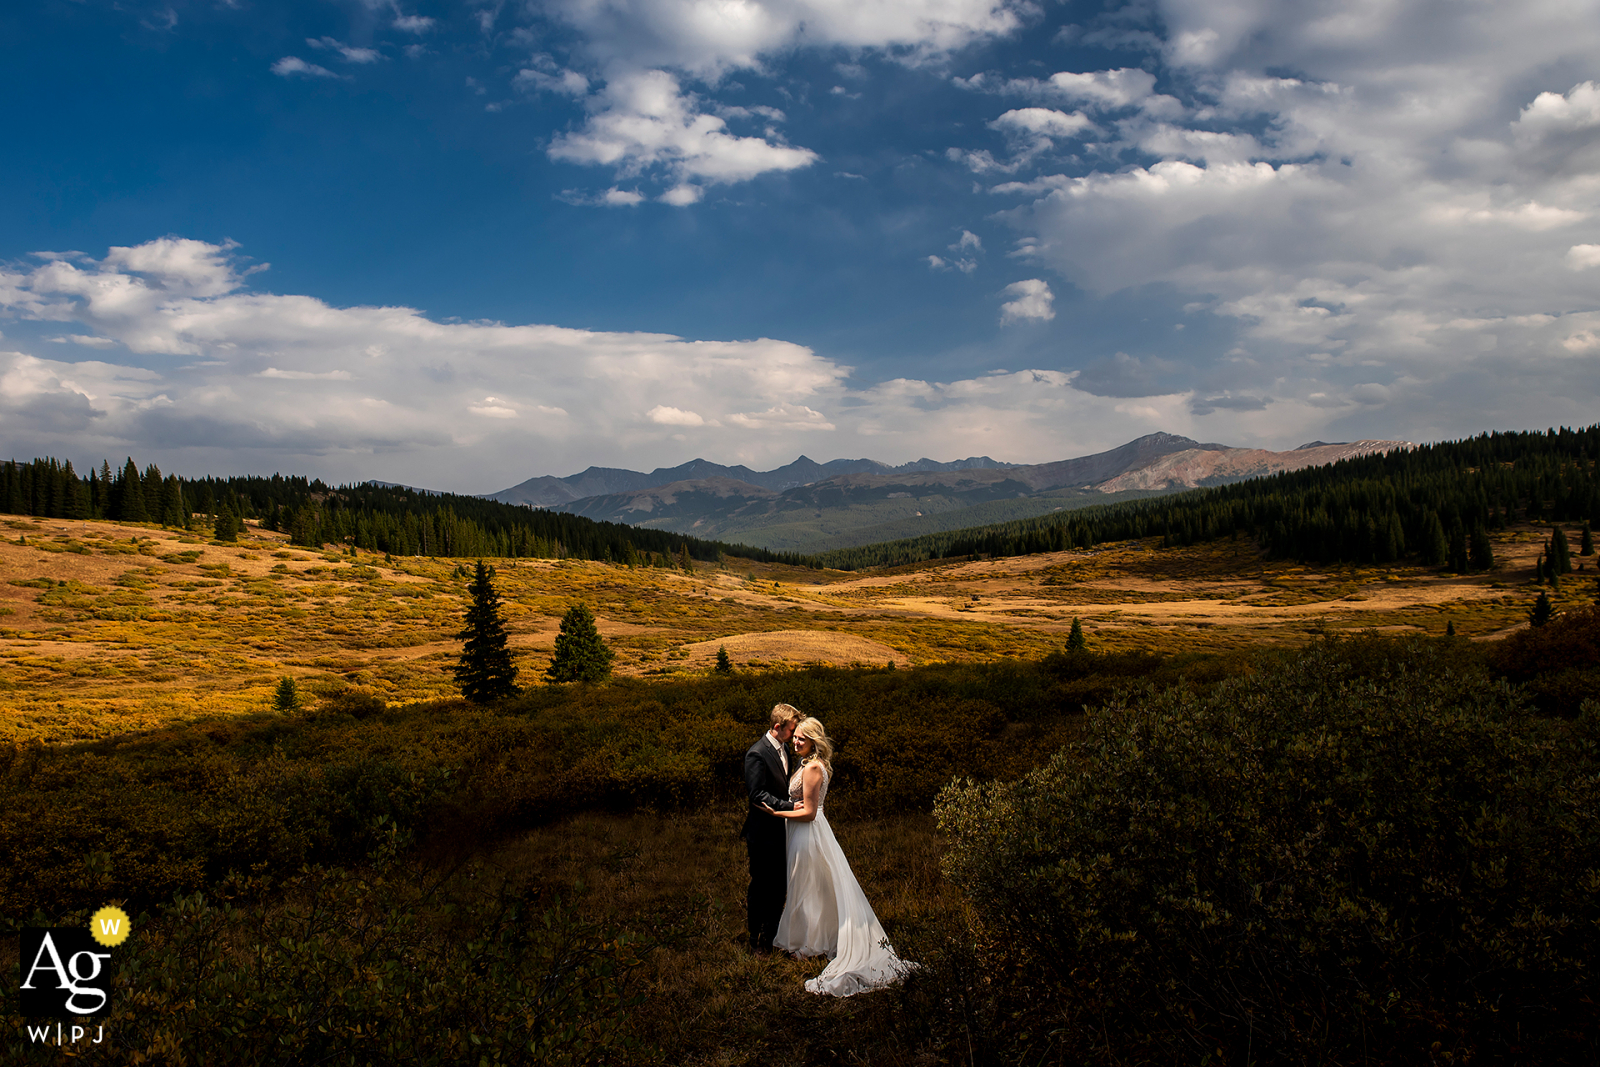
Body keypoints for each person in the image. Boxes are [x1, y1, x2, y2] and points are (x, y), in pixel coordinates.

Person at [765, 716, 913, 996]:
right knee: (812, 885)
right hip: (804, 831)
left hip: (808, 831)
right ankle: (813, 939)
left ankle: (808, 944)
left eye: (802, 739)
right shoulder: (809, 764)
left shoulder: (812, 769)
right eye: (795, 736)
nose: (796, 742)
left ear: (814, 742)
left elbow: (808, 813)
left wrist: (776, 812)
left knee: (806, 885)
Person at [743, 703, 800, 954]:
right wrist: (789, 806)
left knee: (779, 886)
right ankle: (754, 937)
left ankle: (772, 935)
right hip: (762, 832)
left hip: (781, 830)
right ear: (777, 728)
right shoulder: (757, 753)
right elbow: (756, 794)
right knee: (761, 885)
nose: (794, 734)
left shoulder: (784, 748)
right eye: (791, 730)